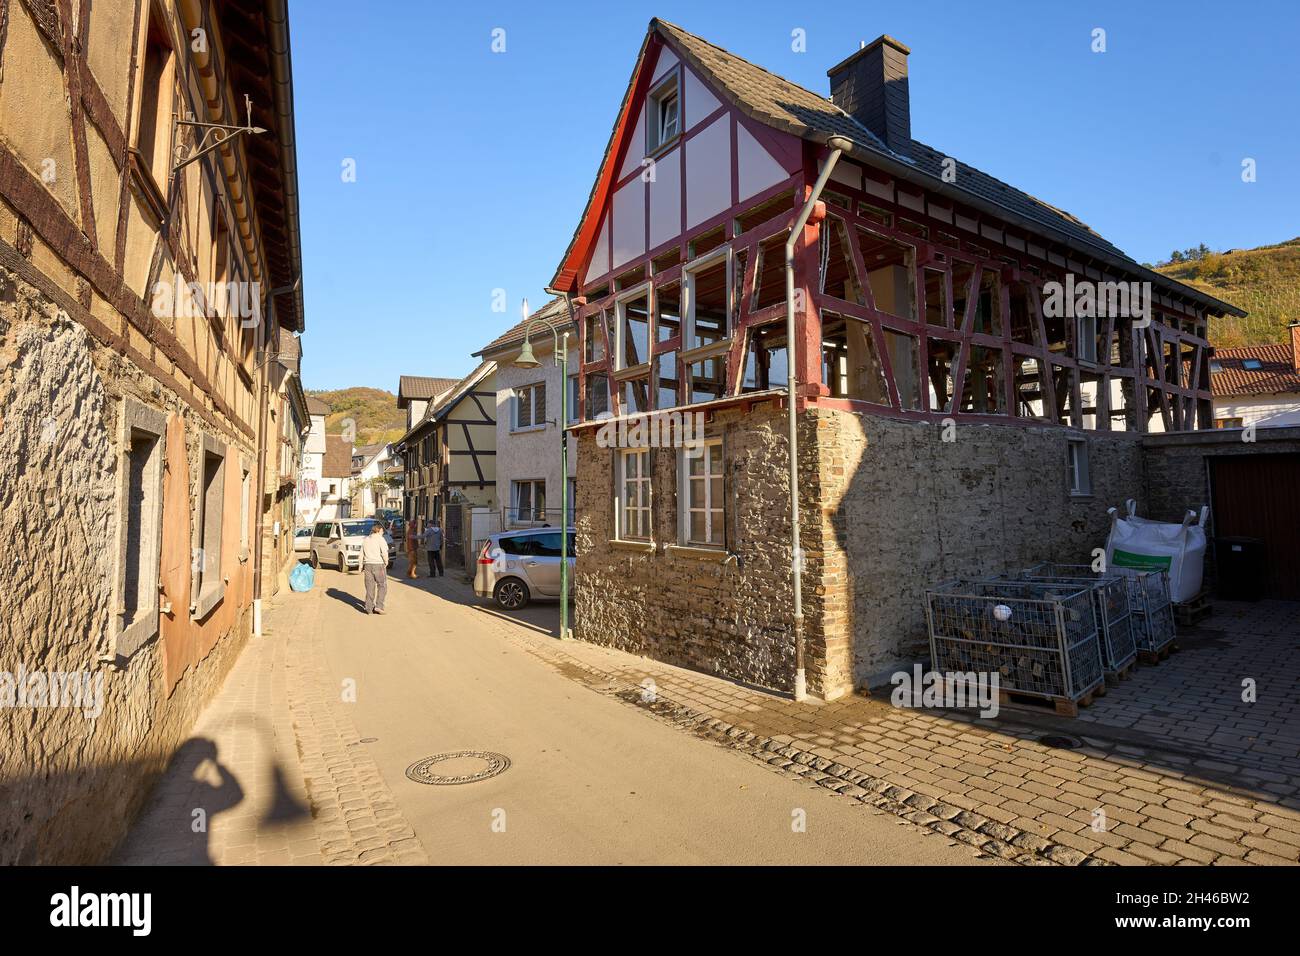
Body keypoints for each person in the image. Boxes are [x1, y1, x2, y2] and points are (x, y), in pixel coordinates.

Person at [361, 521, 389, 614]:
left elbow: (361, 553)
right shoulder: (381, 539)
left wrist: (360, 565)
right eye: (382, 530)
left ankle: (368, 608)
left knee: (369, 586)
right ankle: (379, 606)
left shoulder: (366, 539)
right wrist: (386, 562)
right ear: (379, 530)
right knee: (382, 585)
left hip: (368, 565)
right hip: (378, 564)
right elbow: (384, 552)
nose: (383, 532)